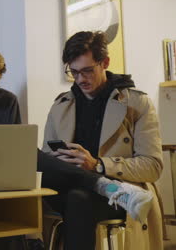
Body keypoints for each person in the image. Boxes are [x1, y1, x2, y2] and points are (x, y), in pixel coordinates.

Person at [0, 47, 155, 250]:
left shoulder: (8, 101)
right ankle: (108, 187)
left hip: (3, 177)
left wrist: (96, 164)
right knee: (33, 157)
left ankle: (106, 185)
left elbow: (17, 150)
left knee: (29, 154)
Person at [42, 31, 164, 250]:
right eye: (74, 72)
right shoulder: (60, 106)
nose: (80, 79)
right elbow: (46, 161)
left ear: (105, 62)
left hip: (117, 195)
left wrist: (97, 164)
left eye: (87, 71)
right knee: (30, 164)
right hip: (67, 186)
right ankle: (101, 185)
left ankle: (106, 186)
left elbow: (153, 166)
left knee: (78, 199)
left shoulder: (137, 104)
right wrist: (60, 160)